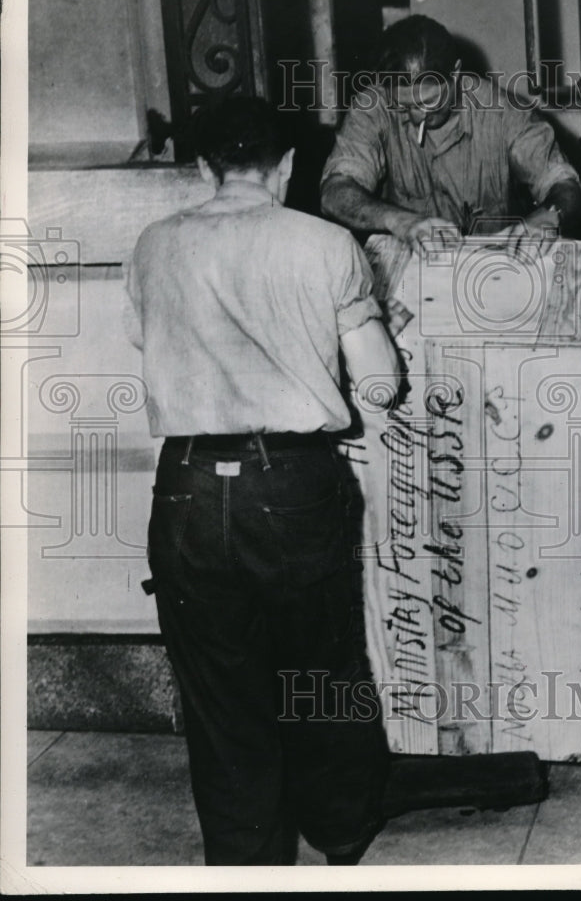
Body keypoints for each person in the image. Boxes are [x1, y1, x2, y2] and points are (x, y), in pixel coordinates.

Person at [123, 96, 399, 866]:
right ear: (285, 166)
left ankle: (248, 864)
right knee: (321, 666)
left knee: (220, 695)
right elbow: (378, 385)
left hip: (183, 489)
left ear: (204, 168)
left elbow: (153, 343)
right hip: (293, 487)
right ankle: (340, 829)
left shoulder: (152, 244)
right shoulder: (324, 242)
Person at [320, 14, 581, 250]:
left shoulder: (505, 113)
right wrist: (399, 220)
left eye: (429, 101)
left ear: (456, 74)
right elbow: (335, 193)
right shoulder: (371, 109)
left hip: (495, 265)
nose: (417, 116)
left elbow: (564, 185)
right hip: (409, 266)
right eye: (402, 105)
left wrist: (549, 215)